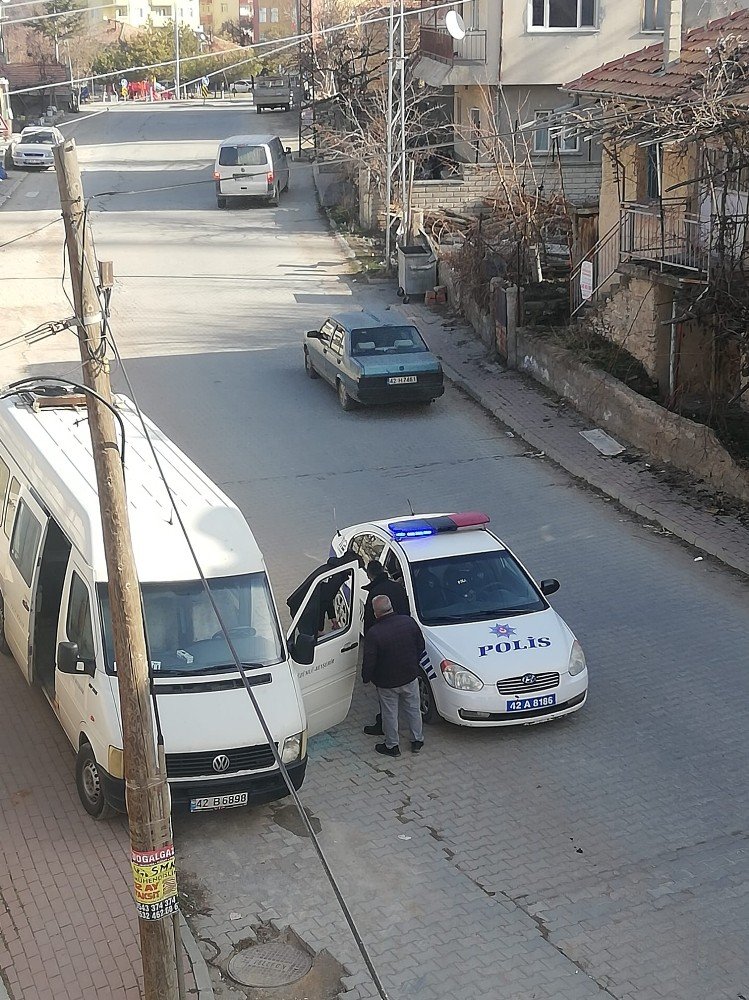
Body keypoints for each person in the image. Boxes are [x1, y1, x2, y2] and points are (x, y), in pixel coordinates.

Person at [361, 595, 424, 757]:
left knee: (389, 713)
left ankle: (392, 745)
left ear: (376, 613)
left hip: (387, 682)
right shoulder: (408, 622)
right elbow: (420, 646)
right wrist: (413, 665)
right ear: (391, 606)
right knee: (413, 709)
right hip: (410, 676)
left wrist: (366, 678)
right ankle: (417, 740)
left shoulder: (374, 633)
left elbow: (369, 661)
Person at [362, 560, 409, 634]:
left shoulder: (374, 594)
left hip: (384, 634)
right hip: (404, 630)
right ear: (382, 570)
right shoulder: (398, 587)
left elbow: (369, 621)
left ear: (368, 575)